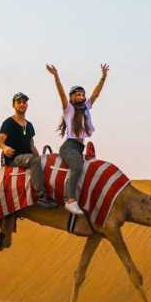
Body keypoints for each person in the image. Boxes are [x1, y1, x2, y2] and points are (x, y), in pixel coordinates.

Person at [45, 63, 109, 215]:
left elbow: (96, 95)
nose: (81, 97)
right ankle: (69, 199)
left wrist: (103, 77)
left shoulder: (86, 107)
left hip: (80, 147)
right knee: (78, 167)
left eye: (82, 94)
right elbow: (61, 92)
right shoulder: (69, 109)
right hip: (69, 147)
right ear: (72, 97)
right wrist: (56, 77)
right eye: (78, 94)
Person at [0, 92, 58, 208]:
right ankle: (42, 197)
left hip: (28, 157)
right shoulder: (9, 123)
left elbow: (32, 145)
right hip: (14, 158)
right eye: (19, 102)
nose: (22, 104)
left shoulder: (29, 125)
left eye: (24, 102)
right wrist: (4, 148)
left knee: (43, 161)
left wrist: (41, 157)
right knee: (34, 160)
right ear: (13, 105)